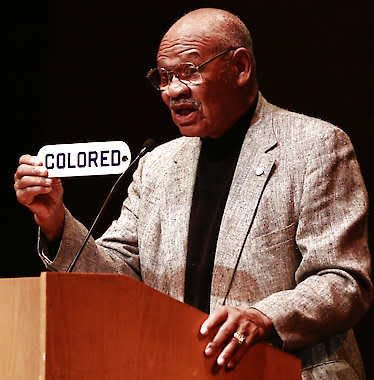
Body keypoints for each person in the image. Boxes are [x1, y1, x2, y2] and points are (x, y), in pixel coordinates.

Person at [14, 7, 373, 379]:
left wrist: (265, 316)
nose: (172, 91)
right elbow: (118, 278)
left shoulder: (315, 146)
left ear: (240, 67)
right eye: (164, 77)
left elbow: (343, 279)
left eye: (189, 71)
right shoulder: (156, 165)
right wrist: (56, 221)